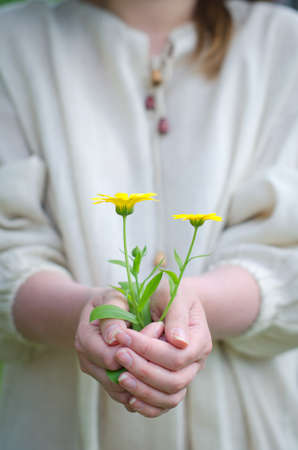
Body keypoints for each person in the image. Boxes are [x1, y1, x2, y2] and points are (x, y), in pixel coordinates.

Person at [0, 0, 297, 449]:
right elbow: (9, 249)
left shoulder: (284, 44)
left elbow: (288, 253)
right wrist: (97, 315)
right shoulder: (12, 42)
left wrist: (190, 306)